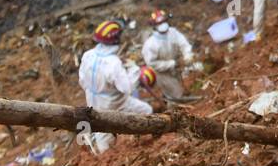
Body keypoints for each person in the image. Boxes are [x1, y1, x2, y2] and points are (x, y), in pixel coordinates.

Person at [78, 20, 153, 153]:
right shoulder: (113, 63)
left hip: (92, 99)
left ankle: (103, 155)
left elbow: (82, 81)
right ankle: (145, 144)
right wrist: (134, 69)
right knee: (146, 111)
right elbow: (127, 88)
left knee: (101, 129)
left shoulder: (87, 55)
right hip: (114, 102)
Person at [141, 10, 195, 99]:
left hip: (175, 68)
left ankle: (169, 98)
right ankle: (173, 107)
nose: (162, 25)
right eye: (159, 23)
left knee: (179, 88)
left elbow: (184, 44)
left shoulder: (173, 32)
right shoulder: (150, 44)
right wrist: (172, 63)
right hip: (162, 73)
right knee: (176, 94)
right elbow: (152, 64)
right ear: (154, 26)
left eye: (163, 22)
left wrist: (187, 55)